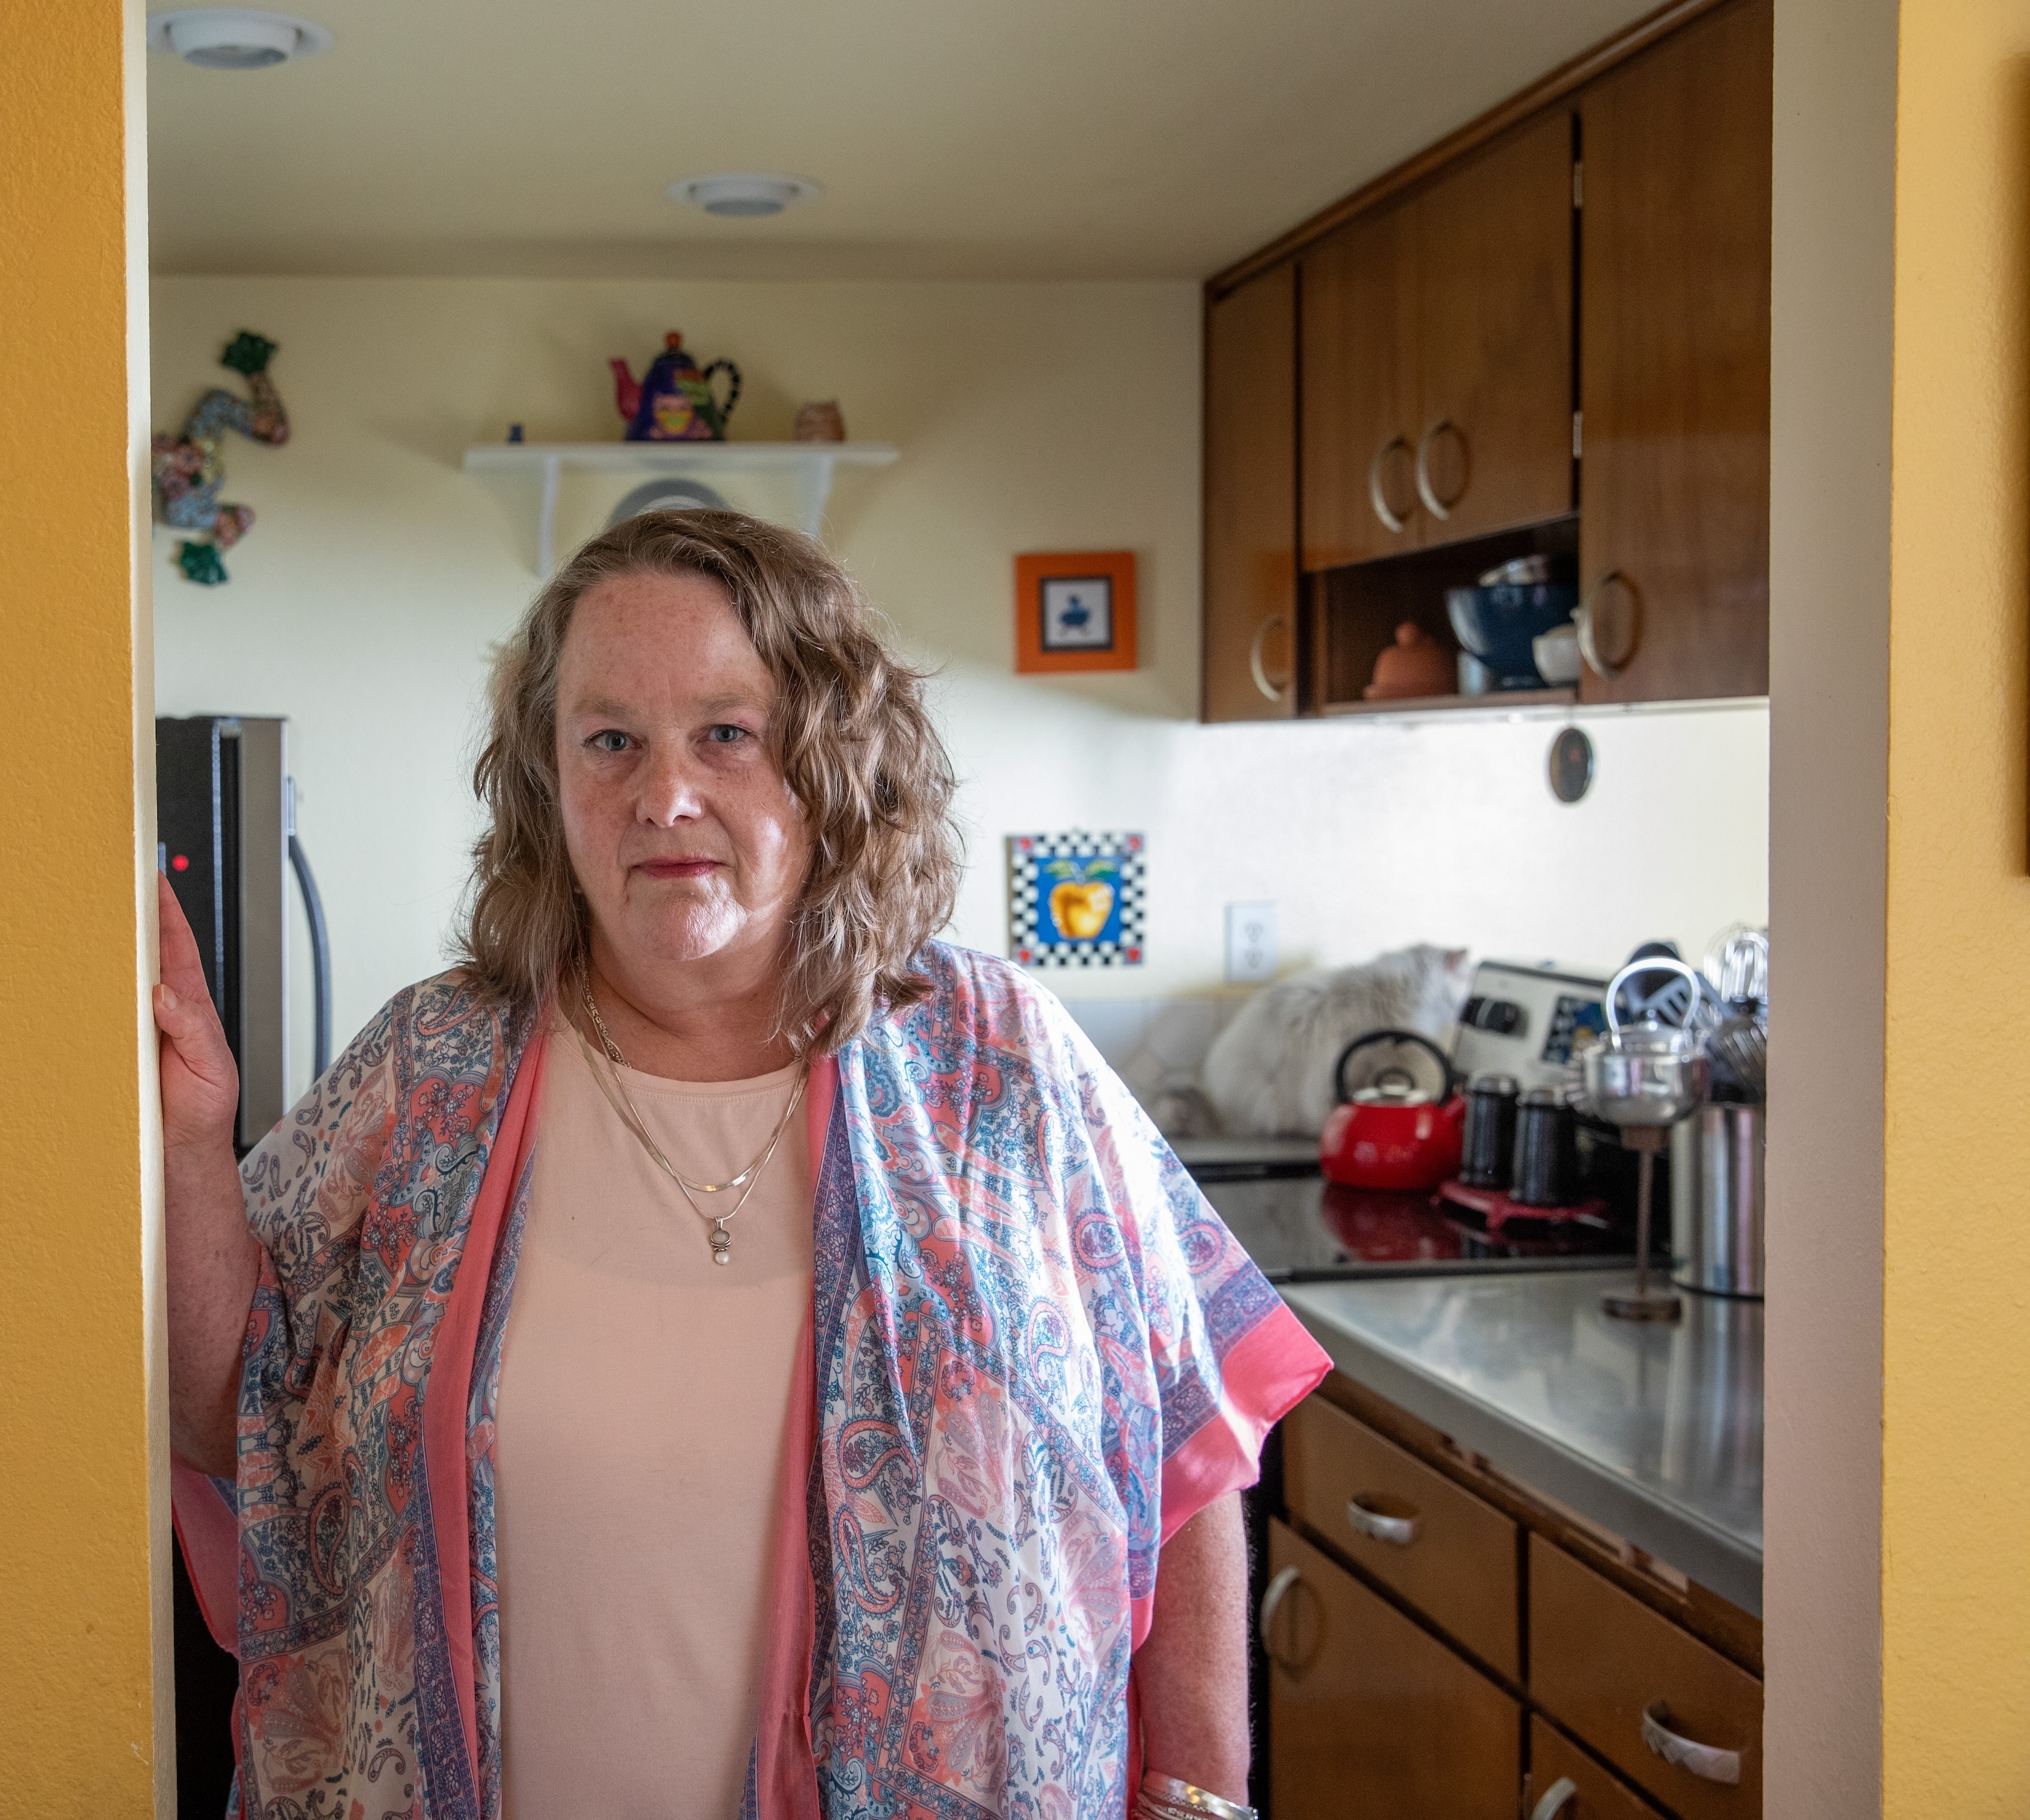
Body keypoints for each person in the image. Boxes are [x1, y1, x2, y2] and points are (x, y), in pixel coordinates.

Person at [154, 509, 1329, 1819]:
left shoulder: (998, 1061)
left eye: (726, 731)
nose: (665, 796)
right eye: (611, 741)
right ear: (550, 784)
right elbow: (226, 1415)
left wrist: (1204, 1793)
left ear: (829, 759)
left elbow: (1185, 1422)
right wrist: (199, 1133)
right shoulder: (428, 1068)